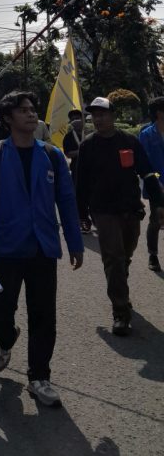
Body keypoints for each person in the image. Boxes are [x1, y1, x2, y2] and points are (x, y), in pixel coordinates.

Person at [0, 91, 83, 407]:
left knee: (44, 314)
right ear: (8, 119)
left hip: (43, 248)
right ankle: (6, 340)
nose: (32, 114)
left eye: (33, 109)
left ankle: (39, 377)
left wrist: (75, 243)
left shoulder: (52, 155)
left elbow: (67, 201)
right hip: (8, 247)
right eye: (23, 110)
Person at [77, 97, 164, 336]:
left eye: (102, 114)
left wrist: (158, 203)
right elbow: (81, 182)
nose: (98, 119)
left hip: (130, 208)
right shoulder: (88, 146)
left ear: (113, 116)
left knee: (125, 255)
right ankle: (121, 312)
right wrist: (81, 213)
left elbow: (147, 173)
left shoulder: (130, 141)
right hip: (103, 210)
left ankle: (119, 284)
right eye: (94, 115)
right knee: (114, 258)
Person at [139, 97, 164, 272]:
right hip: (157, 186)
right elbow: (145, 163)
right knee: (156, 220)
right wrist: (158, 181)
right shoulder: (146, 134)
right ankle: (153, 255)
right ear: (159, 113)